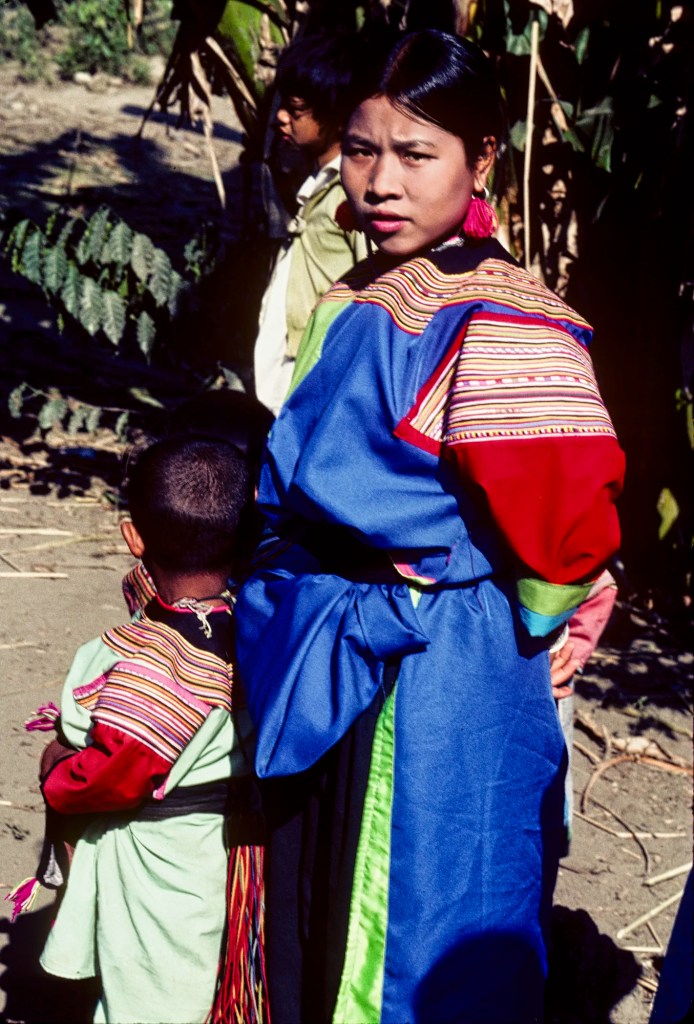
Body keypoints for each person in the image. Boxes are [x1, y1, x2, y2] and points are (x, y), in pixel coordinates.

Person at [235, 29, 626, 1024]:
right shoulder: (364, 290)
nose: (380, 182)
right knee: (331, 902)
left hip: (434, 662)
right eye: (362, 150)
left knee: (411, 909)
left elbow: (567, 528)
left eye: (417, 154)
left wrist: (541, 629)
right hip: (331, 634)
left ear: (481, 157)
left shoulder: (507, 324)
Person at [30, 435, 266, 1024]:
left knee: (153, 997)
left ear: (132, 536)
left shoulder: (154, 662)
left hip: (163, 870)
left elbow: (113, 774)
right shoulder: (261, 629)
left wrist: (57, 766)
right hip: (226, 855)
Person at [254, 31, 367, 415]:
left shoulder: (352, 196)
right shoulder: (319, 185)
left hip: (319, 368)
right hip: (294, 361)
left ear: (338, 119)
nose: (281, 117)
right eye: (283, 105)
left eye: (296, 110)